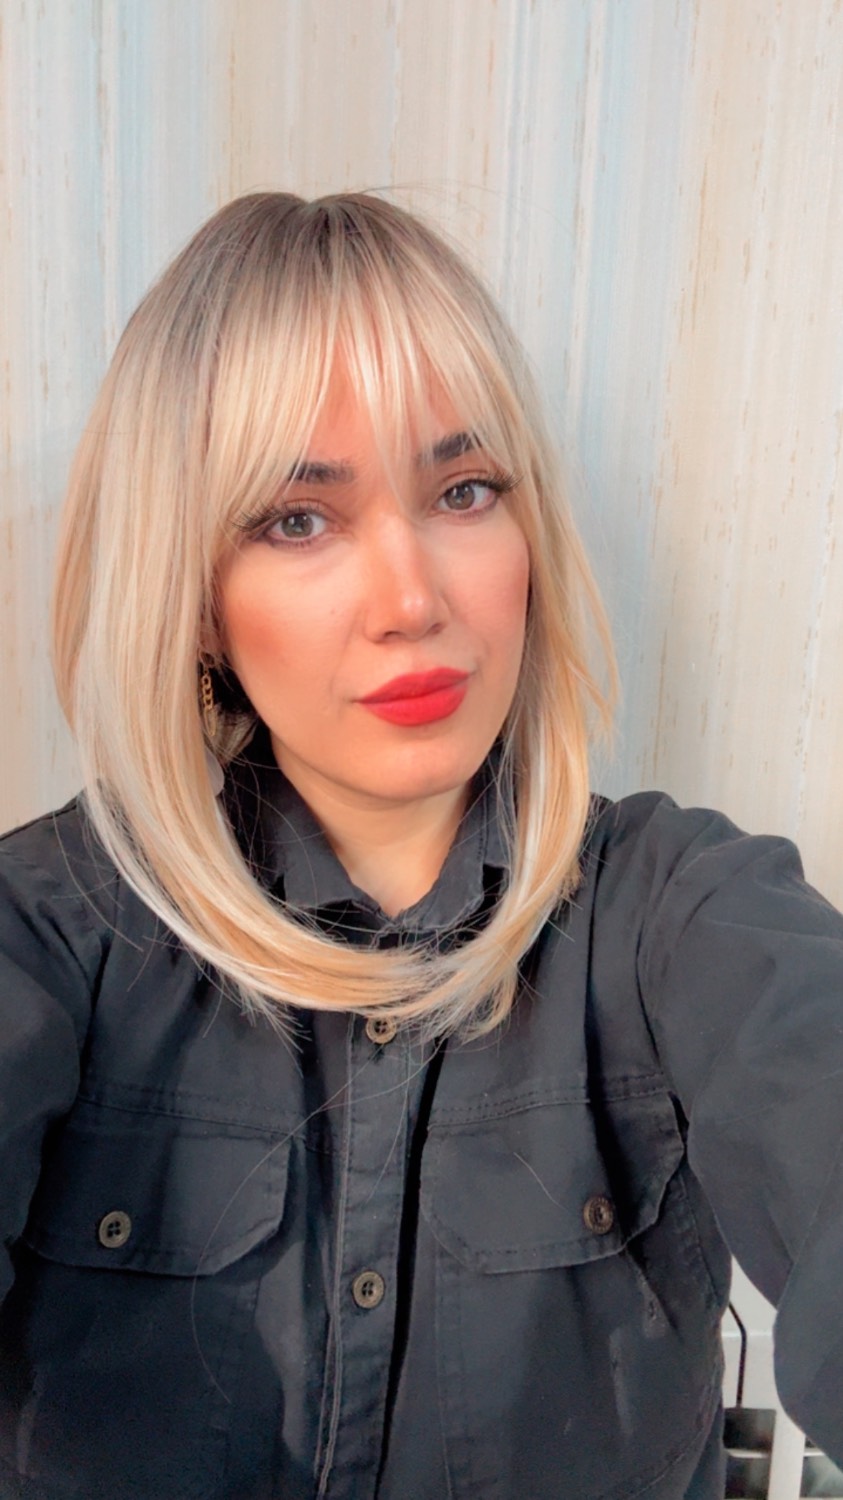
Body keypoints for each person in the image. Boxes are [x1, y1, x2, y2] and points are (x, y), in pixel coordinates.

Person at [0, 191, 841, 1500]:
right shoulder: (49, 932)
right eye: (298, 517)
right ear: (196, 597)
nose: (411, 599)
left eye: (463, 490)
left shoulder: (679, 909)